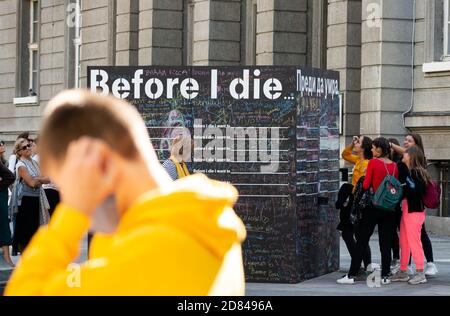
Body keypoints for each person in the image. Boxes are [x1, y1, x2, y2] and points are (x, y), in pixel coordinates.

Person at [5, 90, 246, 296]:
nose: (72, 197)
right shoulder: (206, 220)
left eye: (71, 186)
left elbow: (25, 290)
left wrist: (71, 214)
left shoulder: (144, 252)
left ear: (99, 162)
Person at [338, 137, 398, 285]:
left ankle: (351, 275)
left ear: (378, 149)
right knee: (385, 243)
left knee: (362, 240)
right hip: (389, 208)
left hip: (372, 207)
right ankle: (385, 276)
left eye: (373, 147)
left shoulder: (373, 162)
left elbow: (365, 184)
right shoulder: (395, 166)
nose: (371, 150)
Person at [391, 133, 437, 276]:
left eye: (405, 155)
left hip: (414, 210)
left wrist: (403, 186)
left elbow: (414, 191)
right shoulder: (409, 170)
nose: (403, 155)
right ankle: (404, 269)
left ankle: (420, 272)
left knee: (414, 241)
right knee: (404, 241)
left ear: (411, 156)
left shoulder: (416, 172)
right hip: (406, 208)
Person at [339, 135, 376, 272]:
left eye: (358, 142)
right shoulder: (358, 160)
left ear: (364, 147)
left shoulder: (367, 163)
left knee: (358, 235)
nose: (356, 143)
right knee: (351, 233)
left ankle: (364, 264)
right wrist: (351, 144)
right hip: (353, 200)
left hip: (359, 202)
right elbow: (345, 154)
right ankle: (362, 262)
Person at [10, 138, 50, 255]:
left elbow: (48, 179)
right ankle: (25, 260)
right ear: (19, 152)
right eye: (24, 147)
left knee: (35, 232)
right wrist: (39, 180)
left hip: (36, 199)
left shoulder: (34, 162)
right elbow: (32, 184)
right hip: (26, 202)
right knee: (26, 234)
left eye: (28, 145)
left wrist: (37, 179)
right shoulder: (21, 165)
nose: (28, 148)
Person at [0, 140, 15, 267]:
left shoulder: (3, 161)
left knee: (4, 223)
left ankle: (7, 257)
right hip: (1, 195)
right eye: (0, 144)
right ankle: (6, 258)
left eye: (3, 144)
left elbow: (9, 177)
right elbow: (10, 176)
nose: (2, 145)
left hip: (2, 196)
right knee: (3, 223)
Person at [388, 138, 402, 273]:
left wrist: (392, 145)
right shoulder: (387, 162)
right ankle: (395, 256)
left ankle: (403, 260)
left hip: (399, 202)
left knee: (402, 232)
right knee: (392, 232)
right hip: (390, 202)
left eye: (391, 147)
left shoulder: (400, 162)